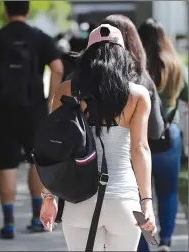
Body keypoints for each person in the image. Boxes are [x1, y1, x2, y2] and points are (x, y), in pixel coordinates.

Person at [40, 24, 157, 251]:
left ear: (88, 56)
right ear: (122, 56)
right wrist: (147, 203)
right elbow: (140, 149)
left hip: (79, 199)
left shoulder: (66, 90)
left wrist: (48, 197)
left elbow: (55, 147)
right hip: (124, 201)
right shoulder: (138, 95)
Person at [0, 1, 63, 239]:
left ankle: (9, 223)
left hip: (0, 110)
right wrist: (50, 101)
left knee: (6, 166)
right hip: (33, 110)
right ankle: (36, 218)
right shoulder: (39, 38)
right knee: (36, 162)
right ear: (27, 10)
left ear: (5, 10)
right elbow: (57, 68)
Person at [138, 18, 188, 252]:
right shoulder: (176, 64)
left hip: (139, 138)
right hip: (170, 136)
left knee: (139, 196)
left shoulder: (136, 66)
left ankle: (145, 244)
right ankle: (165, 241)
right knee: (168, 193)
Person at [101, 15, 164, 140]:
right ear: (133, 41)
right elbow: (155, 131)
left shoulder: (80, 76)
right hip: (127, 155)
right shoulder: (143, 81)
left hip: (85, 156)